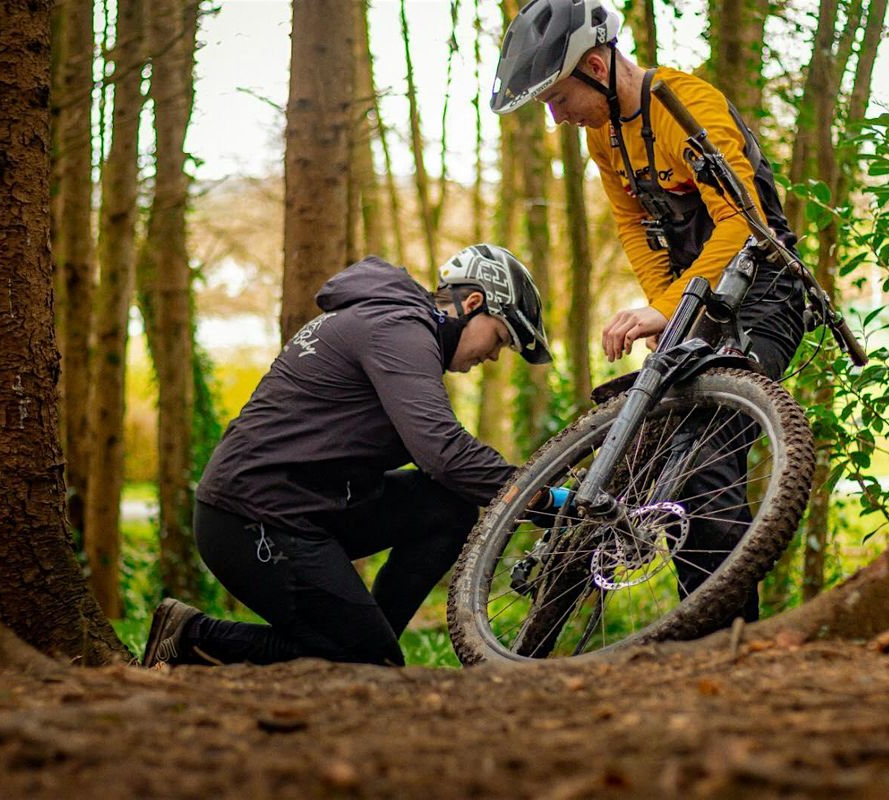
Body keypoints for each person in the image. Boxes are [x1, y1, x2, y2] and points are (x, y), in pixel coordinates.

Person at [492, 0, 807, 622]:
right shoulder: (605, 138)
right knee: (648, 454)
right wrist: (668, 312)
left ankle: (721, 635)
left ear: (594, 66)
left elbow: (743, 225)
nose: (556, 118)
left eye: (557, 98)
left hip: (765, 293)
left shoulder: (685, 108)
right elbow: (635, 227)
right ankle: (644, 628)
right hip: (699, 301)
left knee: (703, 453)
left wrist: (667, 307)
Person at [142, 245, 553, 668]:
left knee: (447, 506)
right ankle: (191, 635)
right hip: (252, 517)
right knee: (366, 661)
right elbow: (443, 452)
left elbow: (441, 464)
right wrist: (543, 497)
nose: (493, 356)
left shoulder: (397, 327)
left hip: (310, 504)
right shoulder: (398, 329)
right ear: (472, 304)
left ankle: (368, 643)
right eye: (500, 338)